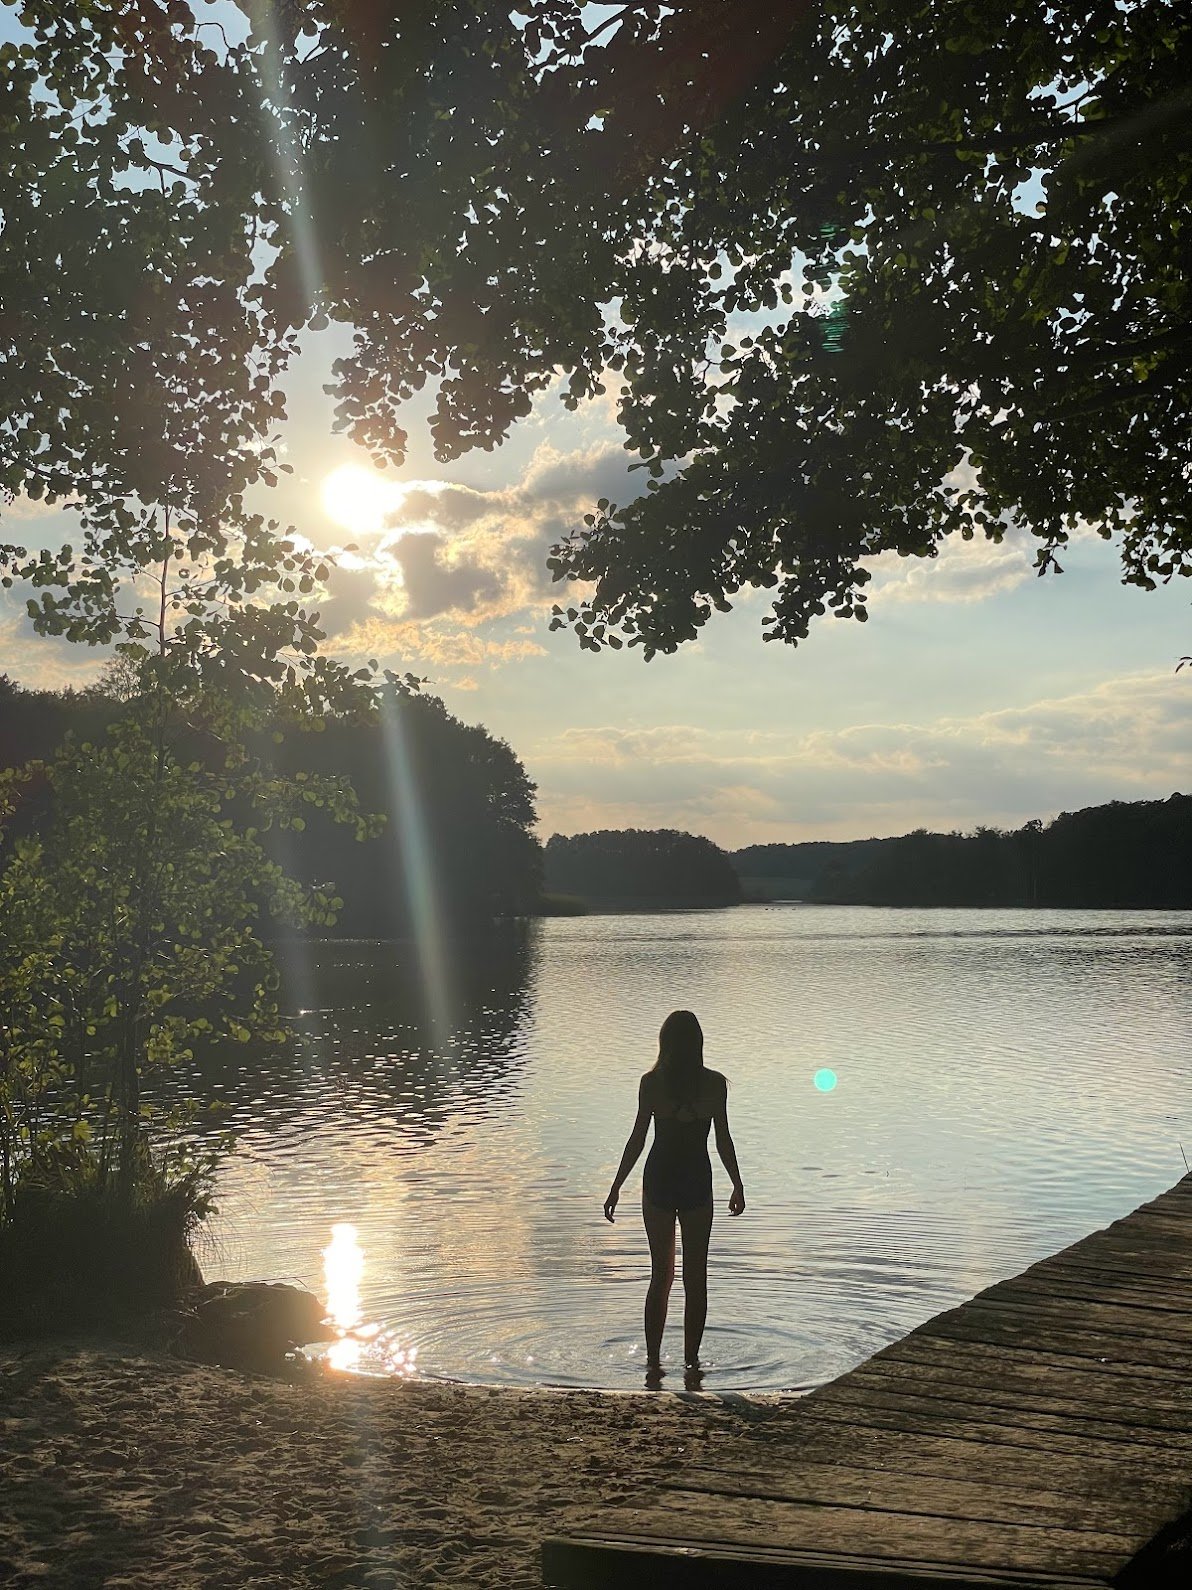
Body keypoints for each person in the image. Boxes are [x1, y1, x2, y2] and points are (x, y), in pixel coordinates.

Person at [603, 1010, 745, 1384]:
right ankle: (691, 1364)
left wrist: (617, 1185)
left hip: (660, 1180)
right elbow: (722, 1141)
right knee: (695, 1277)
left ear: (664, 1044)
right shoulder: (714, 1085)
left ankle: (653, 1363)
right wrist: (737, 1183)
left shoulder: (652, 1084)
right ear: (698, 1044)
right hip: (697, 1181)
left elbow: (638, 1139)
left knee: (660, 1276)